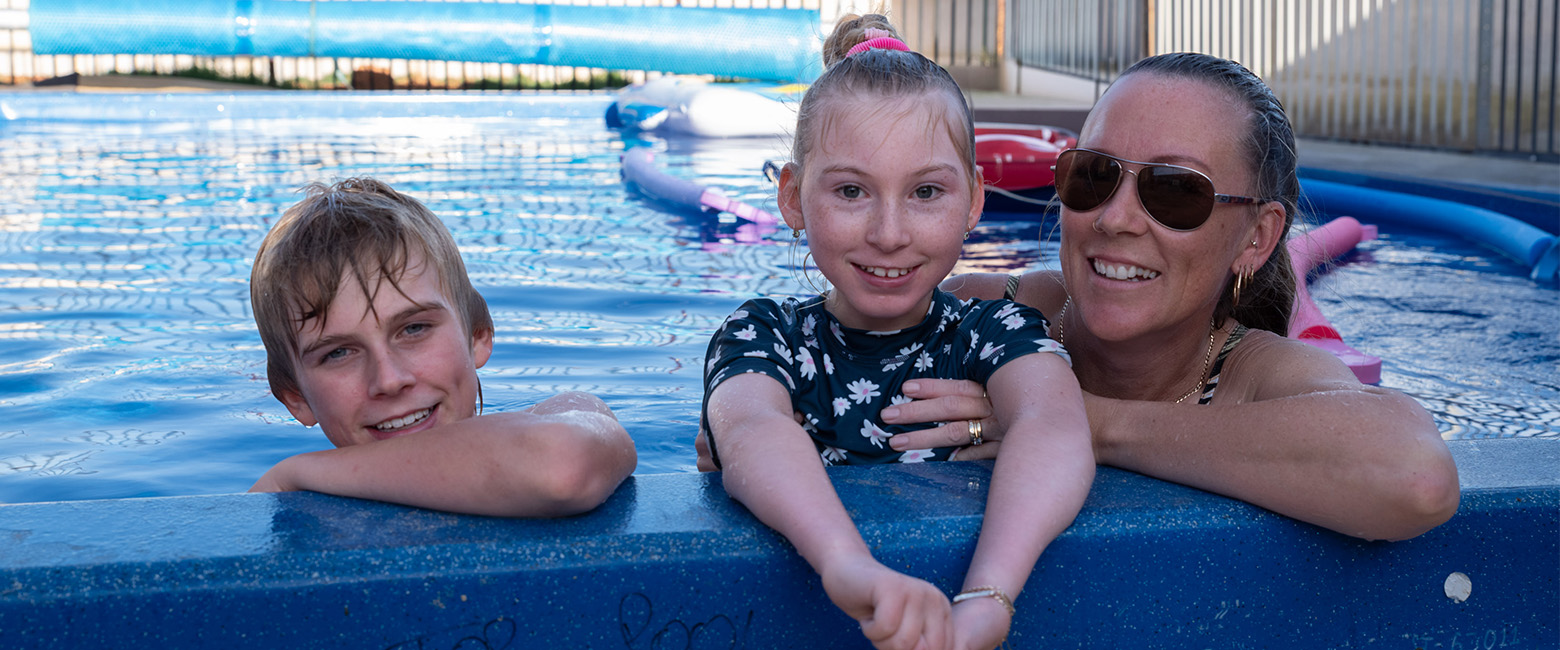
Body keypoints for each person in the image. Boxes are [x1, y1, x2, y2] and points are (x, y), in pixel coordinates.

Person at [877, 52, 1459, 541]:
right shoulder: (984, 313)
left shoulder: (1256, 379)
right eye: (1094, 173)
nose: (1117, 217)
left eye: (1177, 190)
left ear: (1256, 238)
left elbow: (1416, 475)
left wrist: (1076, 421)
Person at [698, 16, 1093, 650]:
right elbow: (750, 429)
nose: (889, 232)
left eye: (926, 192)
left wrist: (990, 597)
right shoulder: (763, 335)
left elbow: (1052, 424)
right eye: (852, 190)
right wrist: (847, 566)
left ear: (972, 202)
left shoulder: (997, 330)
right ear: (793, 197)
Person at [247, 178, 636, 517]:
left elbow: (562, 466)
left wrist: (298, 472)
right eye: (338, 353)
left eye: (414, 329)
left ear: (477, 335)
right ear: (295, 396)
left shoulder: (562, 415)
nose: (389, 379)